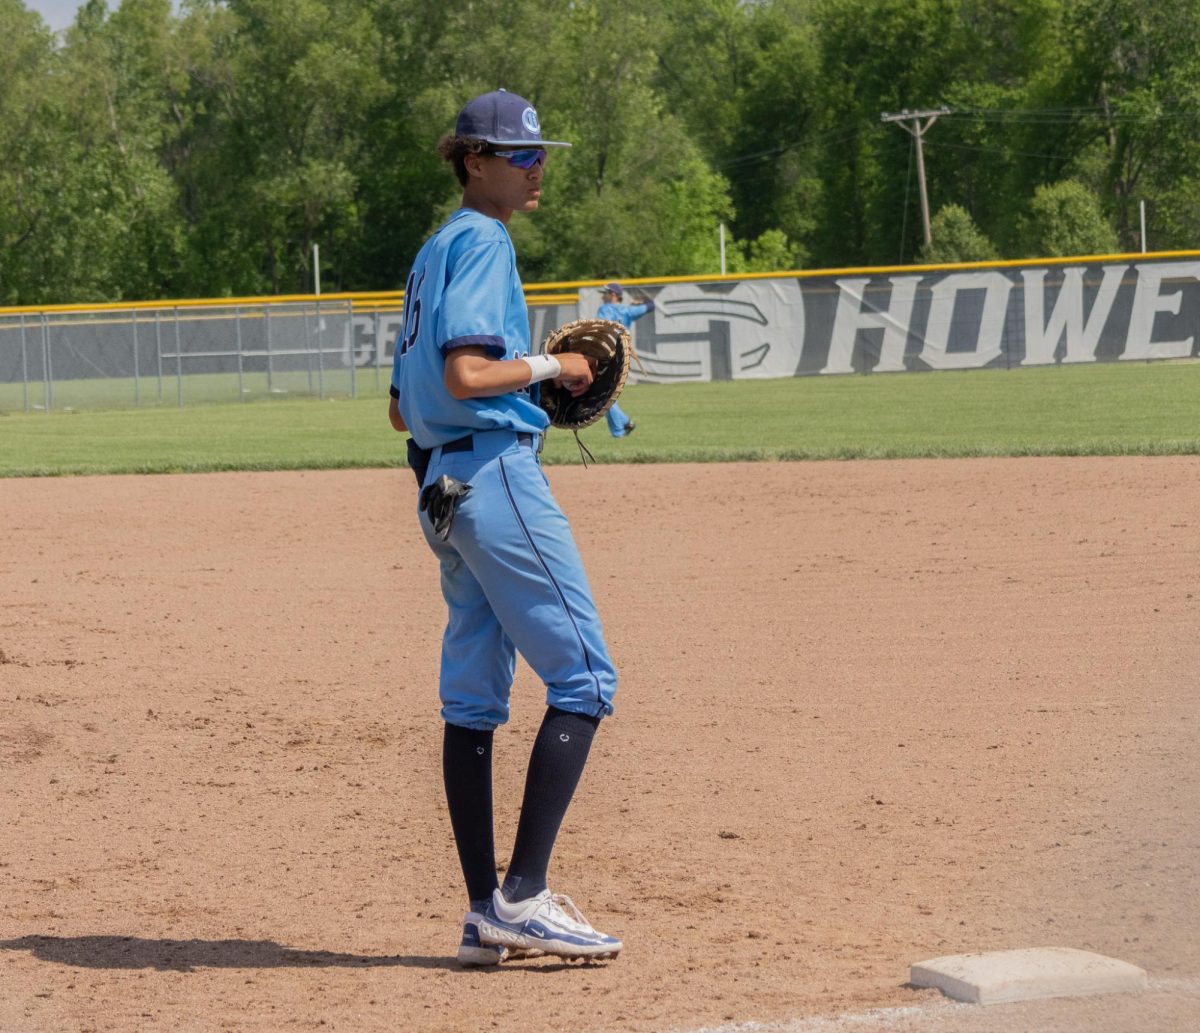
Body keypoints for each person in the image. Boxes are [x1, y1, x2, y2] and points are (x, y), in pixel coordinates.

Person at [387, 88, 622, 965]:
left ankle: (484, 909)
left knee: (474, 700)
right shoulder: (482, 238)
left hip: (440, 489)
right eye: (518, 155)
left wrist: (519, 378)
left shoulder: (432, 250)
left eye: (538, 153)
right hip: (491, 477)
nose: (536, 167)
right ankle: (522, 895)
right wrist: (550, 364)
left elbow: (402, 411)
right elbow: (470, 372)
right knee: (587, 678)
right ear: (472, 161)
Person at [596, 282, 654, 437]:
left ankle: (621, 428)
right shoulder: (628, 311)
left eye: (605, 293)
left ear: (613, 295)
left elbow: (601, 329)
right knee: (605, 393)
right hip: (622, 357)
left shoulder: (604, 309)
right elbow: (651, 306)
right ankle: (622, 427)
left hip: (605, 355)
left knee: (604, 394)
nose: (603, 296)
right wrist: (641, 301)